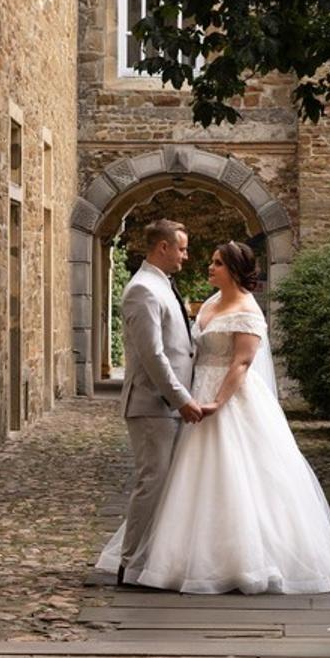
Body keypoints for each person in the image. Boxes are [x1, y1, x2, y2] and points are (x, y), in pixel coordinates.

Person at [99, 241, 330, 595]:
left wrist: (218, 401)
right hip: (198, 392)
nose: (209, 267)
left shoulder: (248, 309)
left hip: (231, 398)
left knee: (237, 473)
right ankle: (183, 553)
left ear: (234, 270)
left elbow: (242, 362)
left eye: (217, 263)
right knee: (191, 475)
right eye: (212, 261)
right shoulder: (210, 303)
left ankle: (244, 558)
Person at [112, 219, 202, 586]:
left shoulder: (162, 284)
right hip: (152, 404)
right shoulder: (142, 290)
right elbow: (152, 354)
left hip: (167, 406)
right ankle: (130, 565)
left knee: (165, 484)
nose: (185, 256)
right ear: (163, 247)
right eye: (181, 248)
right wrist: (181, 399)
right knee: (152, 482)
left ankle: (153, 559)